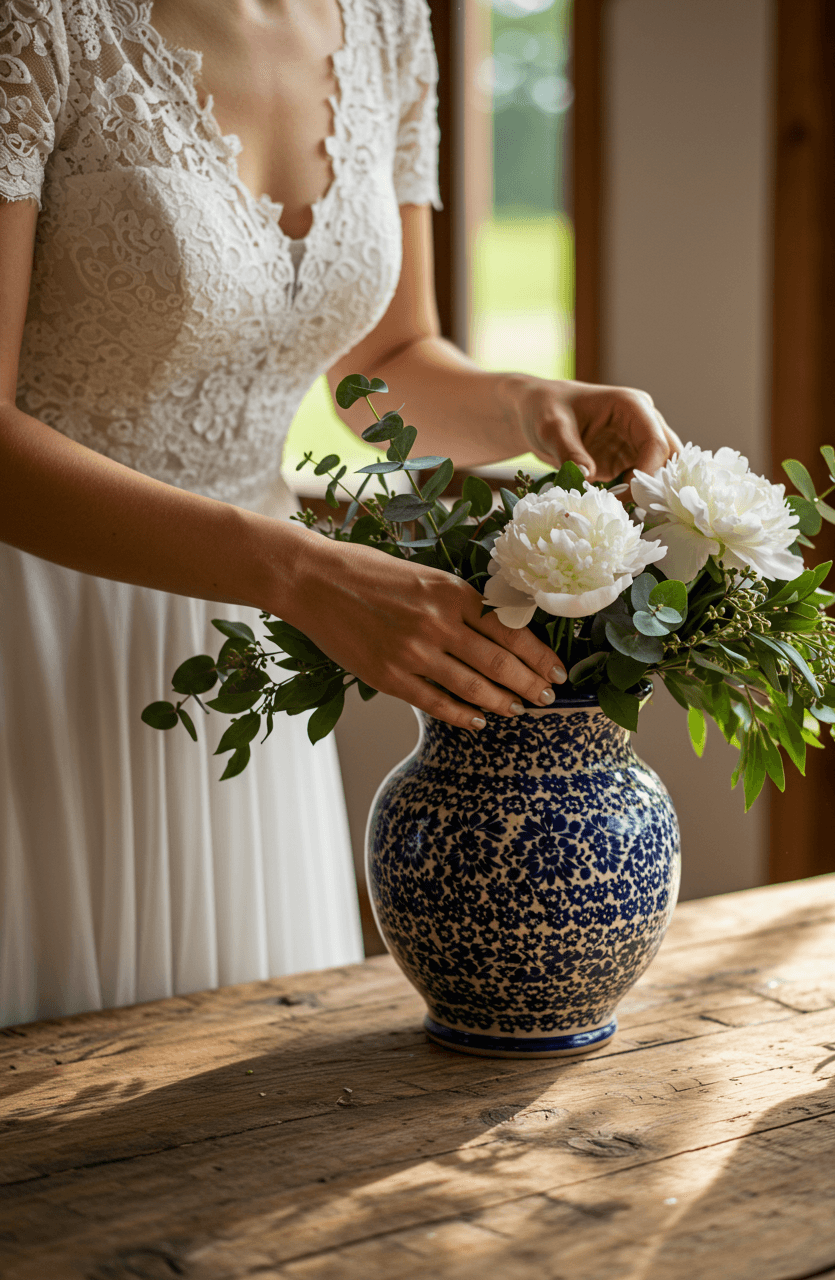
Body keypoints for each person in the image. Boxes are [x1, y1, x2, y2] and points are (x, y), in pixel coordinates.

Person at [0, 0, 682, 1026]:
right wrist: (298, 571)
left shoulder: (389, 24)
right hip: (39, 626)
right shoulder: (38, 22)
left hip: (242, 660)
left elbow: (388, 364)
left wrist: (533, 406)